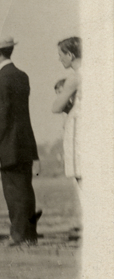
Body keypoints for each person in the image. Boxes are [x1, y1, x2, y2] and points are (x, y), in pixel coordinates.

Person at [0, 37, 41, 246]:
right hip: (25, 141)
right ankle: (30, 234)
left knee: (13, 192)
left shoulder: (1, 80)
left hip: (8, 144)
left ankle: (18, 235)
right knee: (26, 189)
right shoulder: (22, 76)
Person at [52, 36, 81, 187]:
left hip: (78, 128)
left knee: (81, 176)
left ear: (70, 55)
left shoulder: (74, 78)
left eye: (60, 55)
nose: (59, 59)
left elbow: (56, 108)